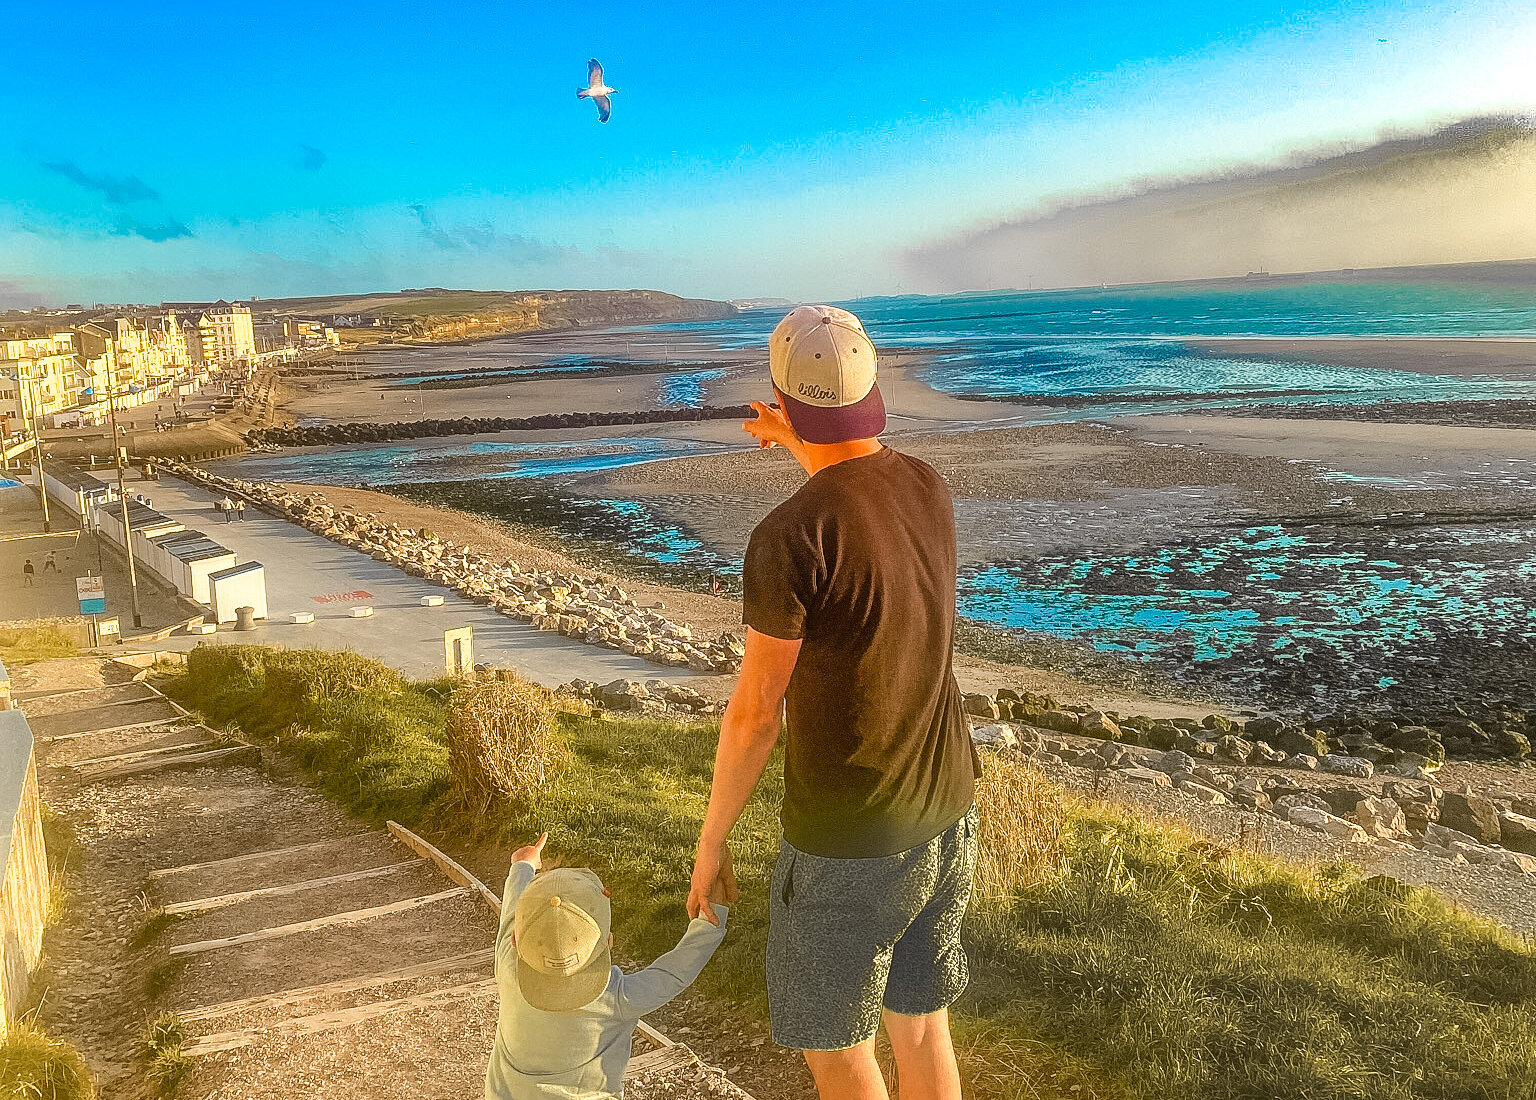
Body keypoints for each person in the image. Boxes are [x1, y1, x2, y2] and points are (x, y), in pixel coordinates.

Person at [688, 306, 979, 1100]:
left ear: (783, 393)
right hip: (948, 809)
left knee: (836, 1047)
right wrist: (799, 442)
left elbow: (754, 714)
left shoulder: (788, 537)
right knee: (921, 1028)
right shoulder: (926, 484)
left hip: (848, 839)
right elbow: (857, 501)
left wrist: (712, 839)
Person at [486, 832, 735, 1099]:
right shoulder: (616, 996)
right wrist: (711, 916)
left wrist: (522, 866)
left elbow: (512, 911)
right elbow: (674, 972)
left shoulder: (508, 965)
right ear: (608, 941)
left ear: (515, 940)